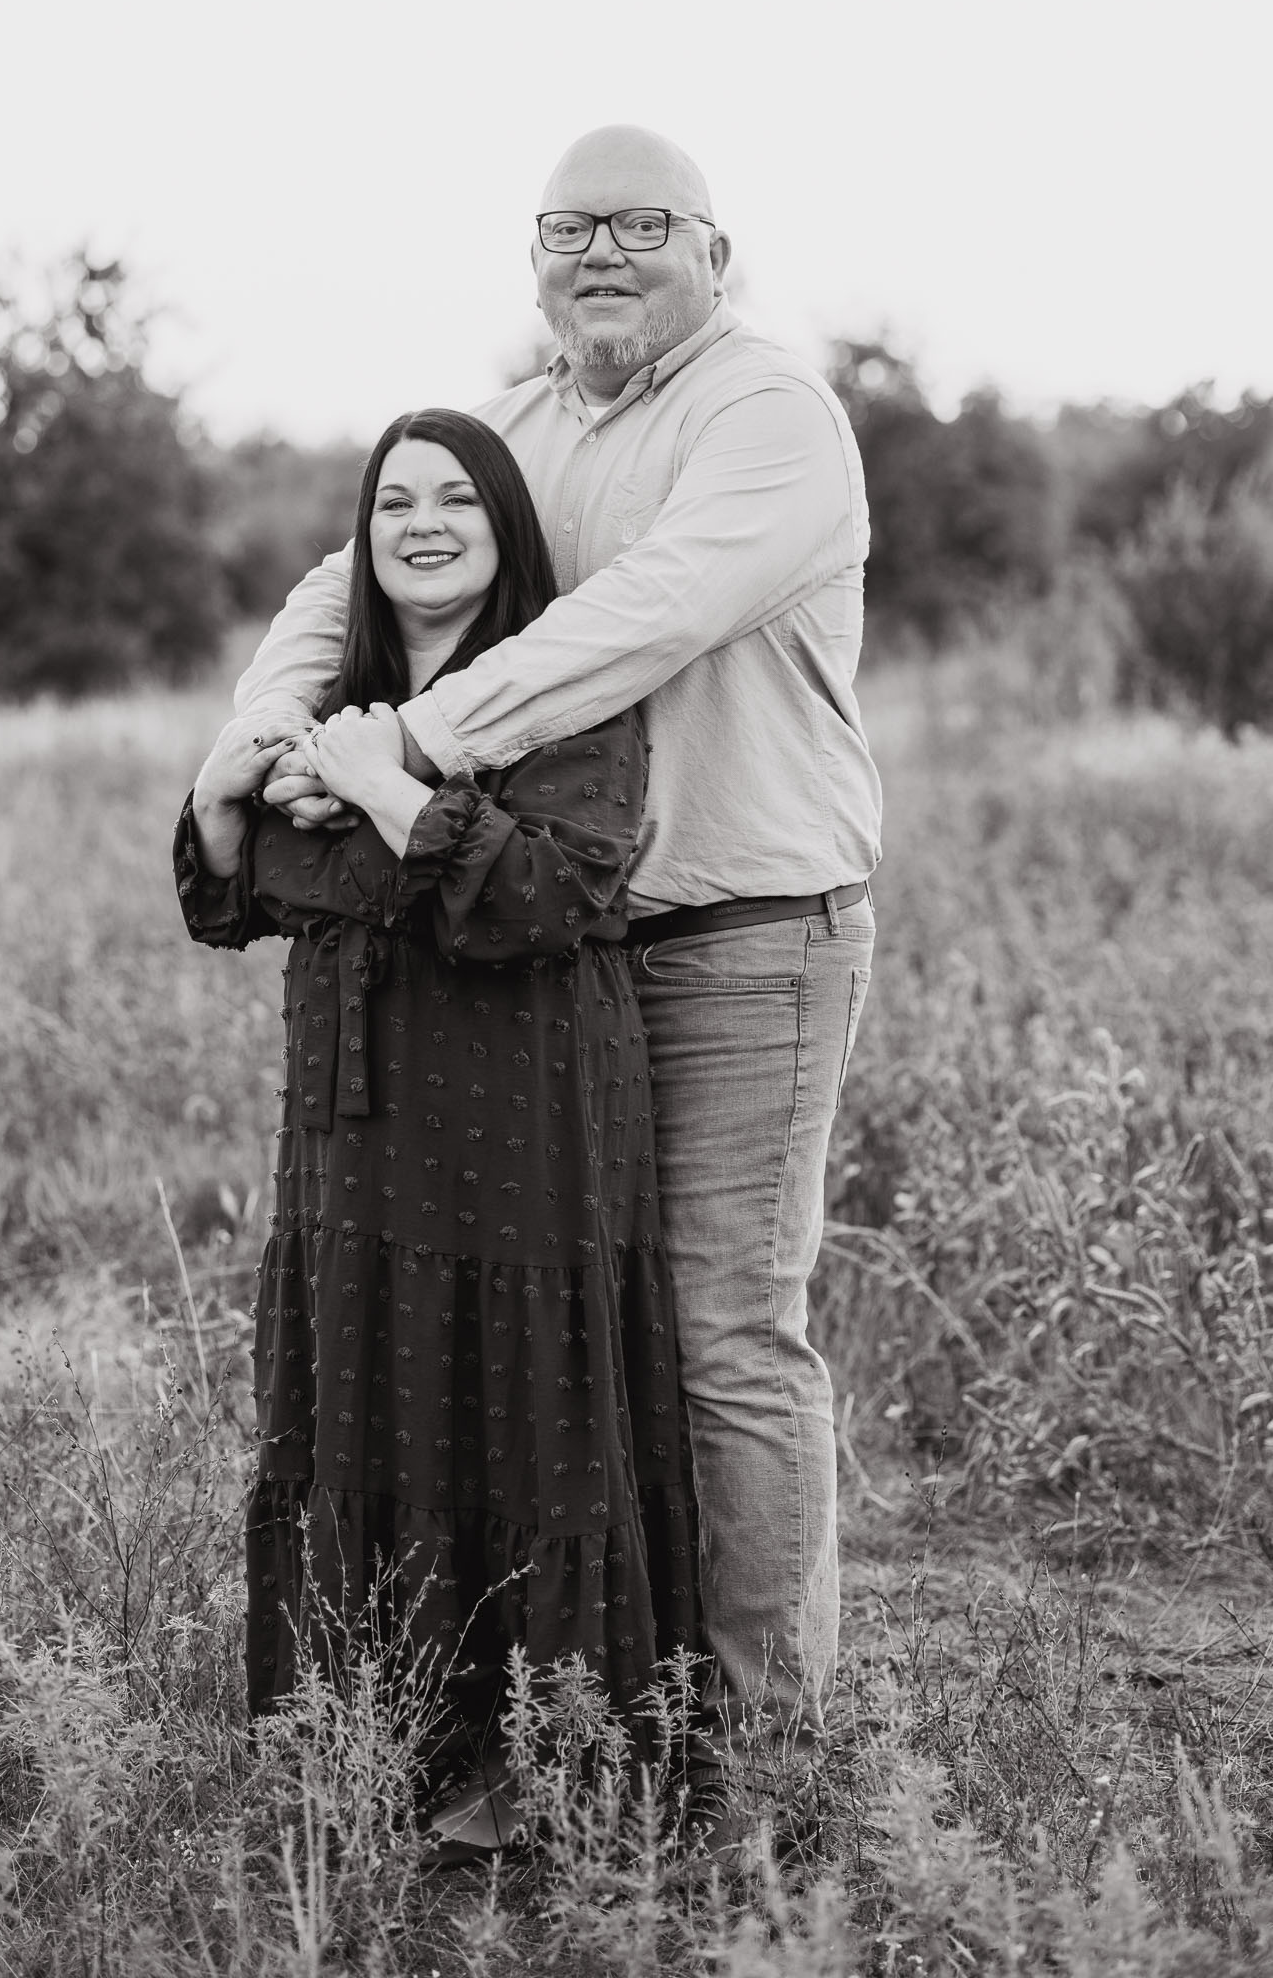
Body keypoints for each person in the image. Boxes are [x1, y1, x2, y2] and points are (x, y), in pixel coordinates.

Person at [236, 125, 882, 1783]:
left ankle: (764, 1751)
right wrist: (259, 736)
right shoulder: (523, 426)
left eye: (643, 222)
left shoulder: (764, 415)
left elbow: (645, 612)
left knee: (722, 1334)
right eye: (570, 225)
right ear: (534, 259)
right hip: (551, 964)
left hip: (737, 935)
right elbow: (340, 579)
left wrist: (407, 746)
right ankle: (597, 1722)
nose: (603, 251)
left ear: (715, 254)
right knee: (592, 1336)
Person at [178, 408, 698, 1854]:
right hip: (355, 1111)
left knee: (524, 1403)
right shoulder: (331, 699)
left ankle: (551, 1768)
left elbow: (548, 894)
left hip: (525, 1098)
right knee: (369, 1388)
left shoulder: (559, 688)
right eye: (395, 501)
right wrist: (222, 796)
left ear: (503, 526)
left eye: (457, 499)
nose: (424, 525)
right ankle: (377, 1746)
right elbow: (240, 895)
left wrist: (377, 786)